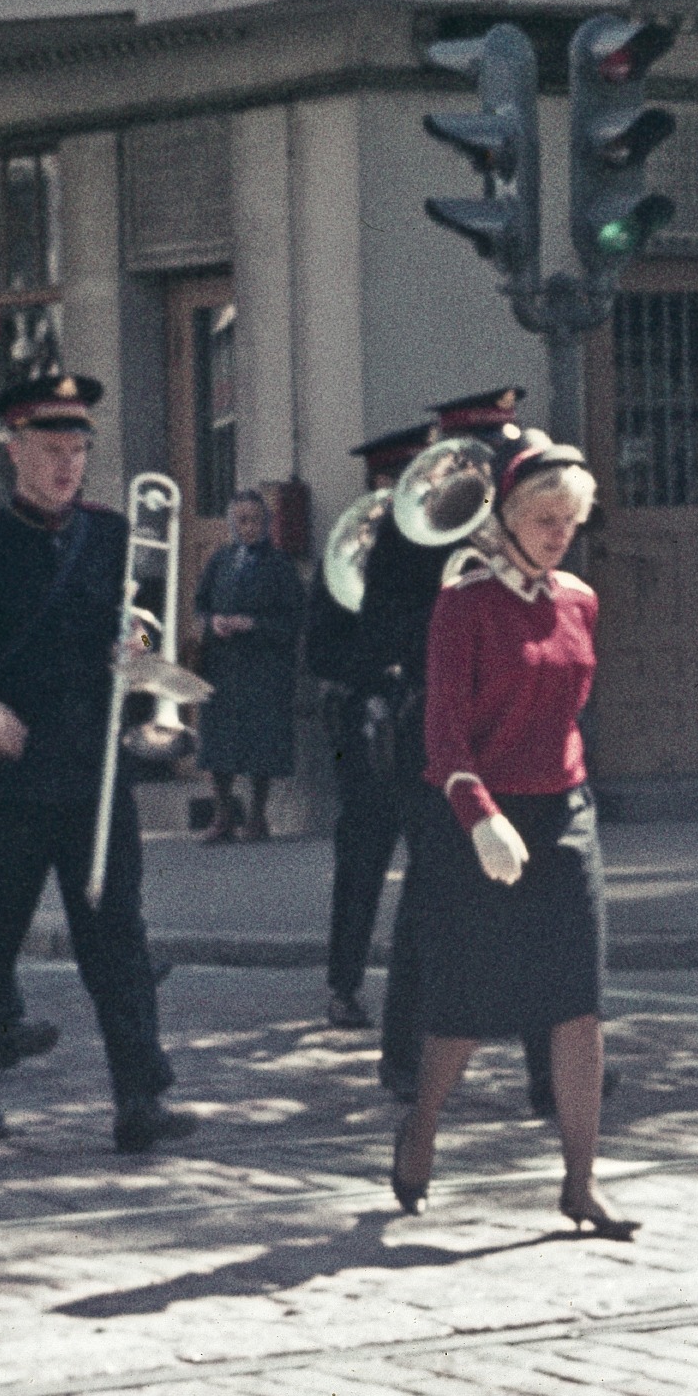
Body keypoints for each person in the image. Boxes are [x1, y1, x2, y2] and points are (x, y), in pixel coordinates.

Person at [0, 373, 198, 1154]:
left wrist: (136, 656)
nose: (66, 466)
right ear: (14, 451)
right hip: (2, 778)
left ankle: (141, 1096)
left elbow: (144, 631)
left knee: (117, 938)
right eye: (51, 450)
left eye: (78, 450)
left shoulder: (111, 537)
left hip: (90, 775)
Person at [387, 435, 632, 1238]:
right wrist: (478, 813)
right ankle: (419, 1134)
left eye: (571, 519)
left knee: (579, 1004)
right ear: (510, 515)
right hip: (482, 817)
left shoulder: (579, 599)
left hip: (564, 812)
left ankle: (581, 1182)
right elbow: (444, 732)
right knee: (464, 1002)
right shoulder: (464, 600)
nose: (560, 532)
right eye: (544, 517)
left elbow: (572, 710)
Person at [359, 388, 567, 1112]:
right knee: (435, 902)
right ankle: (406, 1057)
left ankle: (554, 1072)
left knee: (548, 905)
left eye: (502, 449)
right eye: (484, 451)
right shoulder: (412, 525)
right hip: (443, 736)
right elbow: (378, 627)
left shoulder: (526, 515)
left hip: (524, 728)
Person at [304, 421, 433, 1032]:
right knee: (363, 860)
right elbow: (320, 653)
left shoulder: (437, 548)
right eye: (404, 478)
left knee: (438, 865)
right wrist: (380, 665)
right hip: (372, 726)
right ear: (381, 483)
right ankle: (344, 985)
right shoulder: (348, 551)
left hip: (431, 718)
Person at [193, 488, 307, 841]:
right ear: (231, 523)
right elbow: (200, 607)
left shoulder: (280, 566)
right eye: (242, 520)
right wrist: (212, 624)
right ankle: (223, 814)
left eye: (256, 519)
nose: (249, 526)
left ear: (267, 521)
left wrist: (253, 625)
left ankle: (257, 817)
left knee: (262, 741)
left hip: (264, 666)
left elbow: (294, 621)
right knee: (219, 740)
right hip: (222, 664)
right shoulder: (219, 562)